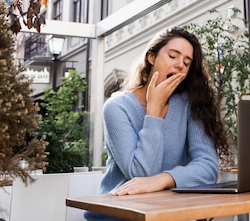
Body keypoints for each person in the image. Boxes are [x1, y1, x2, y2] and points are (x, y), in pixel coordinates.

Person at [84, 26, 229, 221]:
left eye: (187, 62)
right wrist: (154, 111)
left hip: (167, 214)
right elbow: (141, 173)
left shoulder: (189, 104)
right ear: (151, 58)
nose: (180, 65)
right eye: (173, 56)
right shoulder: (116, 107)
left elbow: (208, 168)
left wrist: (163, 179)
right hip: (119, 215)